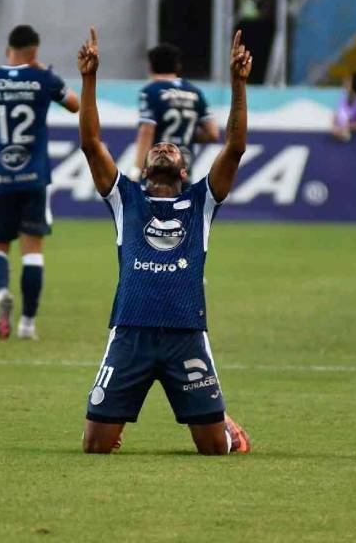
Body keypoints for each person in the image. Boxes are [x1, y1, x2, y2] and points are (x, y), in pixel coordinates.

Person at [78, 28, 252, 455]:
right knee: (94, 446)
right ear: (146, 167)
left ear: (184, 171)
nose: (164, 146)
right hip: (130, 333)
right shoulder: (126, 198)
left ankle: (224, 423)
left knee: (214, 449)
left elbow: (234, 146)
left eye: (173, 148)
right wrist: (88, 80)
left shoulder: (202, 202)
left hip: (185, 334)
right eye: (159, 147)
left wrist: (237, 84)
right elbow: (90, 143)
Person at [0, 25, 79, 341]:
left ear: (7, 50)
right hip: (34, 178)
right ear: (35, 51)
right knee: (33, 252)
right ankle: (27, 323)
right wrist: (43, 72)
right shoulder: (43, 80)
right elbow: (75, 104)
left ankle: (1, 290)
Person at [130, 43, 218, 184]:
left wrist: (136, 169)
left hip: (156, 173)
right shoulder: (195, 92)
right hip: (182, 170)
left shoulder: (150, 91)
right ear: (177, 67)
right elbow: (212, 133)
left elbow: (147, 130)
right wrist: (184, 135)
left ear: (150, 67)